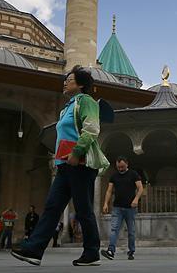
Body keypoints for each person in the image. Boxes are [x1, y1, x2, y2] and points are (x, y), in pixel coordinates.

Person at [12, 66, 106, 267]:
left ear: (80, 84)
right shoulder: (67, 107)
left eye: (69, 79)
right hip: (64, 165)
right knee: (52, 207)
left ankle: (92, 253)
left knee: (83, 210)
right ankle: (34, 250)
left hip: (80, 164)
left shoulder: (86, 102)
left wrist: (77, 152)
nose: (65, 82)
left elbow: (91, 130)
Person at [101, 156, 143, 261]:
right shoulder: (114, 176)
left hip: (130, 208)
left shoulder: (133, 174)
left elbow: (140, 188)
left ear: (127, 164)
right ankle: (110, 251)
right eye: (118, 167)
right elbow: (109, 191)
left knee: (131, 231)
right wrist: (106, 203)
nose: (120, 169)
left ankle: (131, 251)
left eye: (122, 167)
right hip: (117, 207)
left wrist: (136, 199)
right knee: (114, 229)